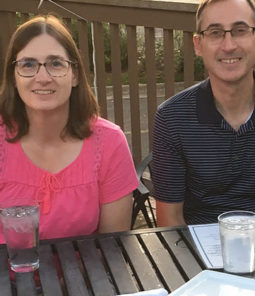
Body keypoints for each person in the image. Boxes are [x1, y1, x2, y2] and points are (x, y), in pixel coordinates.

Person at [0, 14, 138, 242]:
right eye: (28, 64)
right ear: (14, 77)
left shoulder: (109, 142)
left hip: (87, 277)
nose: (42, 77)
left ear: (74, 75)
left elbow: (114, 250)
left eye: (55, 63)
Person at [152, 0, 255, 227]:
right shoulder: (173, 118)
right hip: (199, 252)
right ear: (198, 45)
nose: (229, 45)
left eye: (240, 31)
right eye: (215, 32)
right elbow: (170, 221)